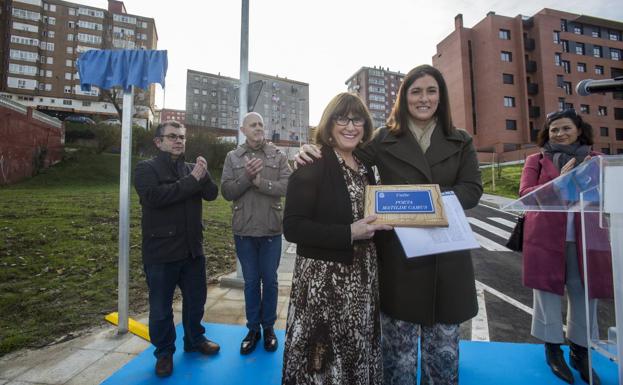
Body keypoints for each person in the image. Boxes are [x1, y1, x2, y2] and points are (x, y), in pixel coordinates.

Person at [296, 65, 482, 385]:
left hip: (447, 261)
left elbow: (473, 189)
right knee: (399, 364)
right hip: (401, 264)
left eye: (431, 91)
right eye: (416, 91)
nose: (424, 98)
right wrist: (311, 151)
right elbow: (345, 151)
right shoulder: (383, 139)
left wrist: (428, 203)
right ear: (403, 97)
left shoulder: (461, 140)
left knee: (443, 362)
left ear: (441, 96)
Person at [281, 92, 392, 384]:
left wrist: (387, 222)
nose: (350, 126)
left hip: (363, 281)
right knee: (323, 364)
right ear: (329, 124)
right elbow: (293, 227)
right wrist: (349, 232)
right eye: (342, 118)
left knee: (357, 352)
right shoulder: (313, 163)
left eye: (357, 120)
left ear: (366, 126)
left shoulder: (368, 168)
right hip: (324, 286)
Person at [520, 108, 612, 385]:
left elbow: (610, 194)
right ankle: (552, 350)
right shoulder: (535, 160)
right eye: (554, 130)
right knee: (546, 293)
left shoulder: (598, 161)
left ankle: (580, 351)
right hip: (546, 238)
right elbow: (525, 196)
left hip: (588, 237)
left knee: (584, 293)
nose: (559, 134)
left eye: (565, 128)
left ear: (579, 130)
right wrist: (560, 180)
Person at [134, 121, 220, 378]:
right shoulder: (145, 168)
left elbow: (213, 194)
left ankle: (195, 340)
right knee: (161, 308)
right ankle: (164, 352)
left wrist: (203, 176)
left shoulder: (193, 168)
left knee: (196, 301)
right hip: (161, 253)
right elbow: (154, 198)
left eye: (182, 137)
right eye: (172, 136)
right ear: (158, 142)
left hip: (193, 250)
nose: (179, 141)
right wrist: (192, 180)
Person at [221, 112, 291, 355]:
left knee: (270, 281)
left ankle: (269, 328)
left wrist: (260, 182)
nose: (259, 128)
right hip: (244, 231)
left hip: (271, 230)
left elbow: (288, 185)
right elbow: (227, 191)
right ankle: (253, 330)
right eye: (253, 124)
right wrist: (246, 177)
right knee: (251, 282)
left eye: (261, 123)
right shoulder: (232, 157)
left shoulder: (277, 155)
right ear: (243, 129)